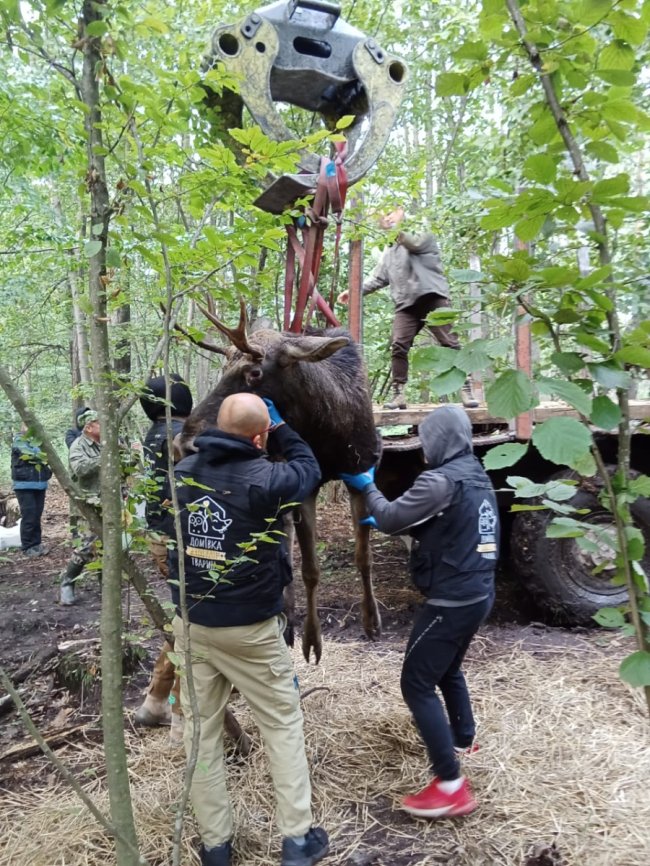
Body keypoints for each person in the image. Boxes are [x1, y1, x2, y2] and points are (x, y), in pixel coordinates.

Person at [169, 392, 329, 866]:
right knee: (281, 725)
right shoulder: (268, 479)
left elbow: (160, 526)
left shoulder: (180, 476)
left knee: (201, 732)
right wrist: (282, 429)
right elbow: (310, 469)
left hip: (192, 624)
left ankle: (216, 845)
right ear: (259, 436)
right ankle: (297, 839)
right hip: (252, 630)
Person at [340, 404, 499, 818]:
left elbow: (391, 518)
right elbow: (453, 522)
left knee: (415, 682)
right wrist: (409, 522)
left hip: (452, 599)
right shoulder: (475, 474)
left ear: (439, 440)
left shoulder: (440, 479)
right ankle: (463, 737)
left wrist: (368, 488)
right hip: (479, 592)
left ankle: (450, 785)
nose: (423, 448)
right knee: (447, 668)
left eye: (425, 438)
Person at [337, 206, 478, 410]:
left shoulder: (423, 234)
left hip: (431, 297)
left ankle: (466, 388)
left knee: (450, 342)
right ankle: (399, 393)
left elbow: (413, 243)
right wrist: (354, 291)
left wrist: (392, 228)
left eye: (391, 213)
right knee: (399, 345)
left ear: (401, 212)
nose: (388, 219)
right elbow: (378, 278)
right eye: (385, 216)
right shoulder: (389, 251)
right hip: (406, 304)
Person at [133, 374, 193, 739]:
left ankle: (155, 700)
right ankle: (181, 714)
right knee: (192, 625)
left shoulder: (154, 432)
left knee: (183, 619)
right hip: (181, 537)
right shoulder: (179, 434)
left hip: (161, 534)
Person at [59, 409, 102, 606]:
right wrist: (106, 458)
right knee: (86, 546)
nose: (104, 427)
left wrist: (133, 455)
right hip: (87, 504)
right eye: (99, 423)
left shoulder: (105, 443)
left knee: (107, 546)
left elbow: (124, 465)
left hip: (107, 502)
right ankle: (67, 582)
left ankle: (105, 586)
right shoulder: (78, 446)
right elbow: (80, 469)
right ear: (89, 427)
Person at [11, 424, 52, 557]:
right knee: (29, 516)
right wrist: (43, 454)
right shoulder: (19, 440)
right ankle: (27, 546)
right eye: (27, 425)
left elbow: (47, 455)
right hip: (24, 485)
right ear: (22, 426)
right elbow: (29, 454)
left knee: (36, 515)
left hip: (39, 485)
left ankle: (37, 544)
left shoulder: (39, 441)